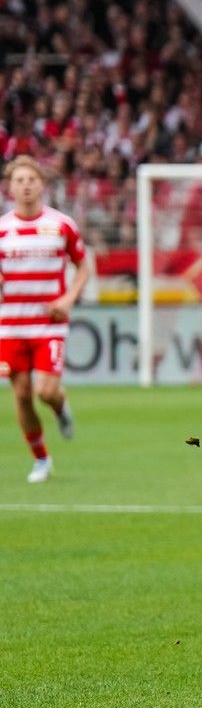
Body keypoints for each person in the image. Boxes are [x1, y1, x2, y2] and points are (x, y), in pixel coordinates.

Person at [0, 157, 89, 483]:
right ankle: (41, 460)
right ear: (10, 188)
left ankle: (61, 407)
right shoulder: (2, 230)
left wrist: (68, 298)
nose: (25, 185)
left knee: (46, 391)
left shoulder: (61, 225)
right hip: (10, 325)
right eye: (19, 180)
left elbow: (83, 266)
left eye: (31, 179)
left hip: (48, 323)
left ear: (41, 184)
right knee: (21, 394)